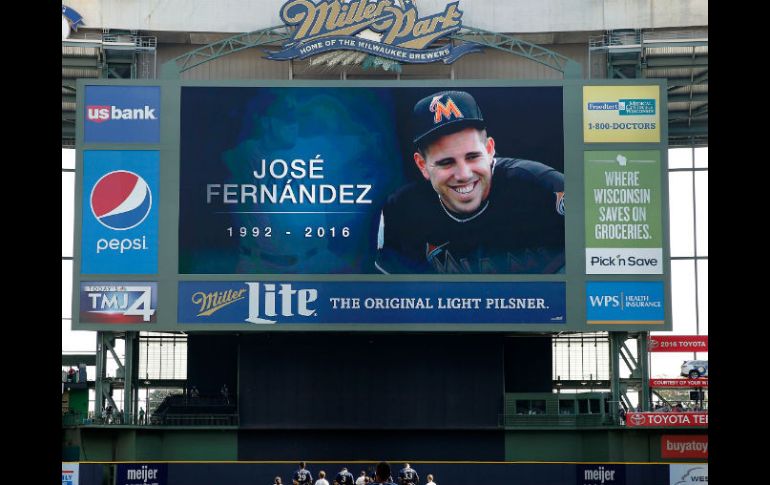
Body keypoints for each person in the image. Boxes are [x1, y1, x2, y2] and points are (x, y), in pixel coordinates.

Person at [376, 90, 564, 274]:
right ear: (422, 165)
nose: (464, 175)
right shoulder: (403, 212)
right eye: (446, 162)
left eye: (473, 156)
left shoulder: (542, 186)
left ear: (490, 150)